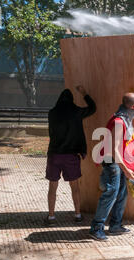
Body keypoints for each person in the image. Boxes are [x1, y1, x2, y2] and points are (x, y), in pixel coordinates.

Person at [89, 92, 134, 241]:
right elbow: (114, 150)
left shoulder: (125, 119)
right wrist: (127, 171)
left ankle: (115, 225)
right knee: (111, 193)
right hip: (112, 161)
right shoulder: (119, 121)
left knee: (121, 193)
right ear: (133, 106)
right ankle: (96, 227)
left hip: (118, 161)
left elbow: (126, 145)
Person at [45, 86, 96, 225]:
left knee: (52, 187)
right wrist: (85, 94)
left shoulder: (52, 113)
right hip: (71, 156)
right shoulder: (76, 112)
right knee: (75, 187)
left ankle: (51, 217)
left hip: (54, 154)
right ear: (72, 100)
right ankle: (78, 215)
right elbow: (92, 108)